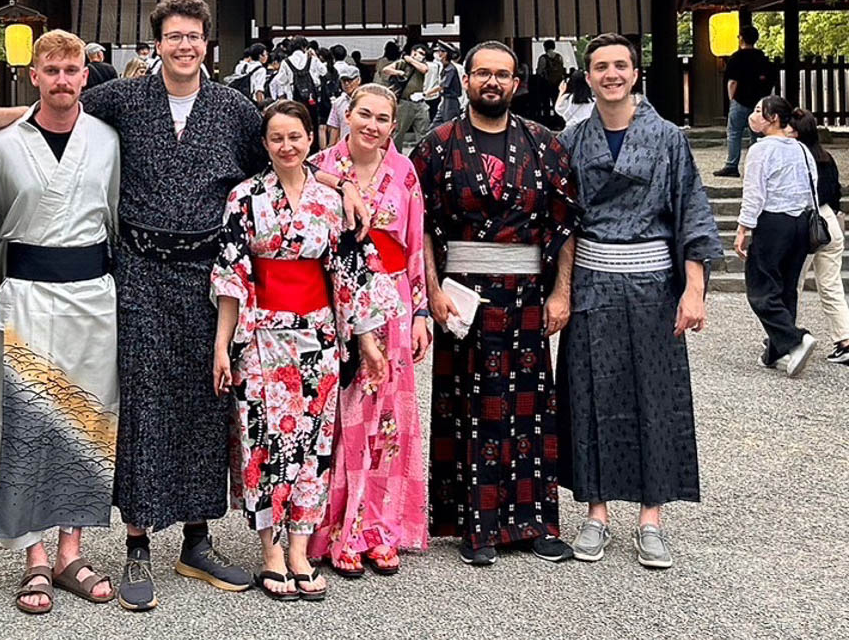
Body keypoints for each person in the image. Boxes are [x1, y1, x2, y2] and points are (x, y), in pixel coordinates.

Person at [0, 0, 370, 612]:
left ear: (208, 43)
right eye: (173, 36)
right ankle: (137, 539)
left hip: (207, 272)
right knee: (144, 397)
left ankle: (197, 537)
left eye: (194, 37)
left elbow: (286, 158)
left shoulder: (233, 108)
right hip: (140, 271)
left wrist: (338, 182)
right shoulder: (125, 99)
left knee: (204, 399)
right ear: (156, 45)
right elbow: (57, 107)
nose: (184, 46)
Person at [212, 100, 393, 601]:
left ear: (311, 140)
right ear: (265, 145)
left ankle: (299, 547)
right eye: (277, 138)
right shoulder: (244, 197)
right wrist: (222, 346)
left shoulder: (332, 200)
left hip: (316, 335)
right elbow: (232, 276)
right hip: (261, 334)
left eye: (296, 137)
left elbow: (350, 274)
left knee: (313, 443)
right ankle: (270, 549)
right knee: (263, 442)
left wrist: (367, 339)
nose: (287, 146)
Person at [410, 41, 580, 567]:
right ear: (465, 81)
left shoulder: (545, 144)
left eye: (501, 75)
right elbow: (421, 227)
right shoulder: (437, 145)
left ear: (516, 83)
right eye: (481, 73)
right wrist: (431, 290)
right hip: (462, 293)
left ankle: (535, 522)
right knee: (468, 409)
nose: (492, 82)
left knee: (531, 409)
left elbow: (565, 222)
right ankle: (473, 525)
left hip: (527, 290)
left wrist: (561, 291)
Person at [556, 33, 722, 570]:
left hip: (653, 283)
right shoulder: (573, 139)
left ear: (635, 72)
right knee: (590, 393)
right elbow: (564, 225)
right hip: (593, 281)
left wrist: (693, 288)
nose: (611, 74)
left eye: (620, 64)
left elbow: (690, 212)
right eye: (600, 66)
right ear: (587, 76)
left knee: (655, 393)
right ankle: (597, 510)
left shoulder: (668, 137)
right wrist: (561, 289)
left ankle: (651, 515)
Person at [0, 29, 120, 614]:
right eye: (51, 70)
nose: (62, 80)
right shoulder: (1, 144)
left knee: (87, 419)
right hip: (28, 291)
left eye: (72, 70)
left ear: (87, 74)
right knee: (25, 419)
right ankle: (33, 555)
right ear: (32, 76)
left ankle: (71, 549)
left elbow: (116, 216)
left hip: (92, 292)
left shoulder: (108, 139)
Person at [309, 83, 430, 577]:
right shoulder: (319, 165)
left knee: (388, 421)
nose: (372, 126)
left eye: (383, 118)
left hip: (395, 300)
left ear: (392, 126)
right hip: (336, 301)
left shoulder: (404, 172)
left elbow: (416, 242)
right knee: (341, 416)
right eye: (364, 114)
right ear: (348, 114)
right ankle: (332, 527)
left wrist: (421, 311)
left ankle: (381, 528)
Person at [734, 95, 819, 377]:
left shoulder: (761, 150)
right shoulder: (801, 149)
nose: (753, 115)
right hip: (800, 222)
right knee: (785, 288)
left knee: (761, 289)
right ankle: (776, 352)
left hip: (773, 221)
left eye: (759, 111)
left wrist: (744, 228)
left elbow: (755, 193)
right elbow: (812, 186)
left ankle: (796, 339)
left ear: (772, 119)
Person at [789, 109, 849, 365]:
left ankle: (784, 336)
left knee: (792, 283)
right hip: (830, 222)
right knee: (831, 285)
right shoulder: (826, 157)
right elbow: (835, 193)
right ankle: (846, 340)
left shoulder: (796, 158)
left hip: (806, 223)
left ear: (797, 132)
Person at [714, 25, 777, 178]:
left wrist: (732, 99)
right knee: (757, 134)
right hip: (759, 103)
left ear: (741, 38)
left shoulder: (736, 57)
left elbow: (732, 82)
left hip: (740, 100)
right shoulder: (762, 58)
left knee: (734, 133)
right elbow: (770, 80)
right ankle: (757, 167)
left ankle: (731, 165)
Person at [381, 43, 431, 152]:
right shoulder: (402, 63)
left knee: (423, 132)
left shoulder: (422, 65)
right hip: (405, 102)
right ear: (413, 52)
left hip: (419, 102)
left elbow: (424, 69)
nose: (420, 56)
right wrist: (398, 72)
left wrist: (411, 60)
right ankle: (395, 154)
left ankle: (421, 156)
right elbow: (386, 69)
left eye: (423, 54)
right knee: (399, 132)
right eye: (418, 53)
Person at [273, 35, 327, 113]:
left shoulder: (286, 62)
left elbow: (281, 80)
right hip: (311, 97)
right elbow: (324, 71)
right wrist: (315, 56)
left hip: (293, 98)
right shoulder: (312, 59)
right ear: (305, 47)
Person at [324, 66, 361, 148]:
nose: (347, 84)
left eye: (350, 80)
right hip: (345, 147)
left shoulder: (367, 100)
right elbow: (334, 126)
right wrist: (331, 147)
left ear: (358, 80)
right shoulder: (338, 103)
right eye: (344, 81)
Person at [433, 43, 465, 125]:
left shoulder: (451, 69)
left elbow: (442, 85)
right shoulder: (444, 67)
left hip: (451, 102)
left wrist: (426, 94)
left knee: (449, 126)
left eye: (440, 51)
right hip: (445, 100)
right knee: (436, 125)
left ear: (445, 54)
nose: (438, 54)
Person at [535, 40, 567, 120]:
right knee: (557, 102)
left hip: (546, 84)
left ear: (545, 47)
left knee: (546, 103)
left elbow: (539, 71)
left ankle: (547, 120)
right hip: (557, 83)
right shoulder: (559, 57)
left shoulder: (543, 58)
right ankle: (558, 120)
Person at [422, 43, 445, 122]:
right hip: (434, 93)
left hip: (424, 92)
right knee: (433, 116)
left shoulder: (422, 66)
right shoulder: (437, 65)